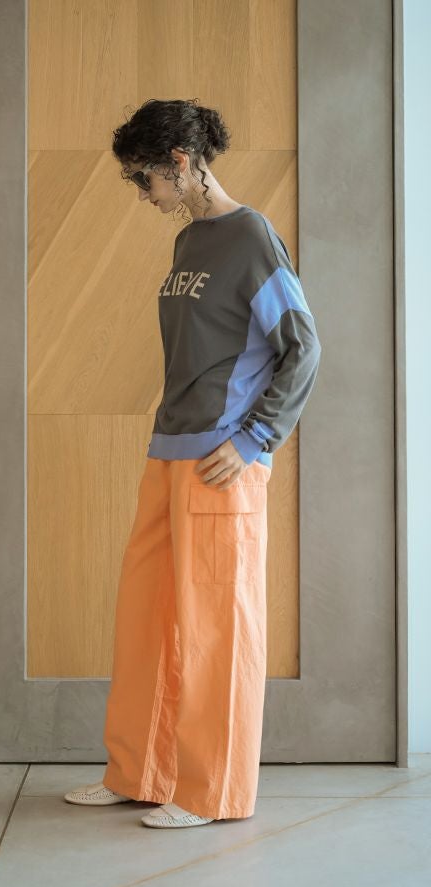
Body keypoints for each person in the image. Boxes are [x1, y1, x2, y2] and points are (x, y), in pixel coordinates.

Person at [64, 98, 322, 829]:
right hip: (168, 451)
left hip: (220, 463)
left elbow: (303, 346)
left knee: (217, 628)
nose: (141, 194)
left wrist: (253, 440)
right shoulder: (189, 241)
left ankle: (213, 793)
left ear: (180, 162)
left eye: (143, 177)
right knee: (147, 620)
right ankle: (140, 772)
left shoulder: (252, 237)